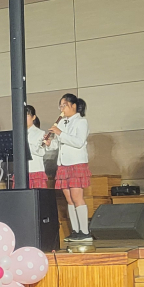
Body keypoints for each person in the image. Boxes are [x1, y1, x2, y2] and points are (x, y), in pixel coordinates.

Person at [46, 93, 91, 242]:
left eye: (64, 105)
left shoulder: (81, 121)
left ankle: (85, 232)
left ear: (73, 106)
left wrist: (60, 133)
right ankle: (76, 231)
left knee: (77, 197)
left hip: (76, 163)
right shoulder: (62, 123)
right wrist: (49, 143)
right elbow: (57, 144)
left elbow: (78, 142)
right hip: (63, 164)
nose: (62, 109)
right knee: (69, 199)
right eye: (60, 106)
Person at [25, 105, 50, 189]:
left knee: (37, 195)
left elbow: (41, 151)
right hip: (21, 171)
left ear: (33, 117)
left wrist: (25, 145)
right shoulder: (17, 133)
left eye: (27, 115)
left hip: (35, 169)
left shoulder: (40, 133)